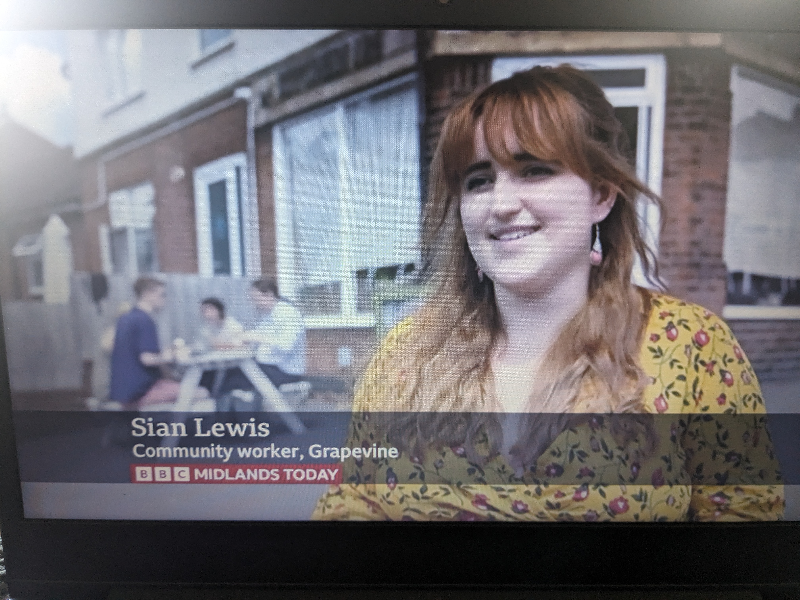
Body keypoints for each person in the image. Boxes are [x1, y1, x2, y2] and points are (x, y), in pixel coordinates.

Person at [312, 65, 784, 521]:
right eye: (478, 181)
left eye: (535, 170)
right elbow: (352, 505)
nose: (500, 204)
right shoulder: (404, 355)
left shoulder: (690, 345)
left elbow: (743, 525)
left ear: (600, 196)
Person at [109, 277, 206, 408]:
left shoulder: (126, 318)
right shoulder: (145, 320)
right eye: (162, 295)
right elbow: (147, 359)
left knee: (178, 383)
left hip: (122, 391)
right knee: (202, 393)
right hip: (140, 392)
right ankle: (175, 427)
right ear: (147, 294)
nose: (164, 300)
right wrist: (171, 356)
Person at [218, 278, 308, 406]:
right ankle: (242, 417)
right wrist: (243, 339)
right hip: (271, 366)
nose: (254, 303)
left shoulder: (288, 313)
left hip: (286, 371)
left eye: (256, 298)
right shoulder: (269, 315)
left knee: (231, 379)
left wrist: (258, 337)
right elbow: (255, 338)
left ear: (269, 294)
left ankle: (231, 420)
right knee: (229, 374)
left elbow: (286, 345)